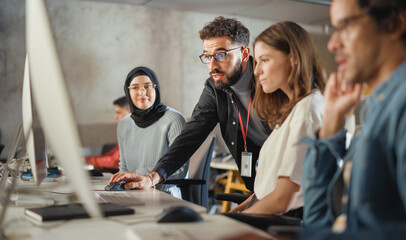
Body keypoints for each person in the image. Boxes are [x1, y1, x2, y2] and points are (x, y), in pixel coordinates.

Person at [300, 0, 406, 238]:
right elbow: (317, 219)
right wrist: (331, 121)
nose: (332, 43)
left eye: (344, 26)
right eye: (333, 28)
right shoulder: (379, 106)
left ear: (395, 23)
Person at [110, 17, 271, 191]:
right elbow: (191, 136)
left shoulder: (269, 80)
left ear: (245, 53)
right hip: (261, 182)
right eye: (208, 56)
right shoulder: (214, 87)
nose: (212, 66)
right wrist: (152, 178)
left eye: (221, 55)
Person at [228, 21, 325, 215]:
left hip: (279, 224)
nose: (256, 71)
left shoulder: (307, 110)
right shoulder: (293, 110)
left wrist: (234, 222)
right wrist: (233, 214)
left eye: (265, 60)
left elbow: (282, 200)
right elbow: (267, 189)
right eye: (257, 62)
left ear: (294, 58)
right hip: (265, 214)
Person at [111, 66, 188, 198]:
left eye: (148, 86)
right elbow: (124, 167)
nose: (142, 92)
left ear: (156, 88)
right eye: (135, 87)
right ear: (127, 92)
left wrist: (139, 176)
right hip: (133, 193)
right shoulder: (124, 124)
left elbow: (181, 170)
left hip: (165, 194)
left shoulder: (174, 119)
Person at [85, 96, 130, 171]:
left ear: (130, 112)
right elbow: (111, 155)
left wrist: (85, 160)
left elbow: (114, 161)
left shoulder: (134, 133)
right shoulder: (126, 132)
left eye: (119, 112)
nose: (115, 116)